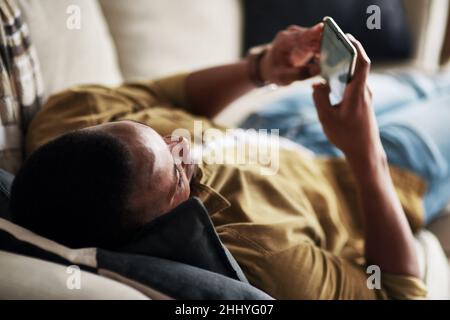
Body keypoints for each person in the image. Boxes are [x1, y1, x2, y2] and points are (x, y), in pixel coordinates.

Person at [10, 23, 443, 299]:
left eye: (158, 136)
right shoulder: (266, 261)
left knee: (426, 81)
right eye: (177, 173)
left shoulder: (67, 119)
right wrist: (366, 151)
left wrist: (261, 68)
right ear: (156, 228)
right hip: (373, 173)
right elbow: (398, 292)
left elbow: (168, 96)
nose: (182, 146)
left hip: (280, 119)